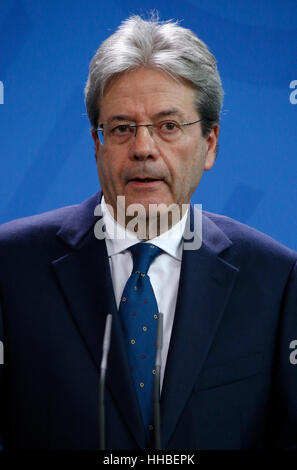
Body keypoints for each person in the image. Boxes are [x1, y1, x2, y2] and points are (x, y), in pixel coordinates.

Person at [0, 14, 296, 451]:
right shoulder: (10, 265)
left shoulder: (275, 277)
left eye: (168, 126)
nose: (143, 148)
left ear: (210, 143)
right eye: (121, 128)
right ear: (96, 143)